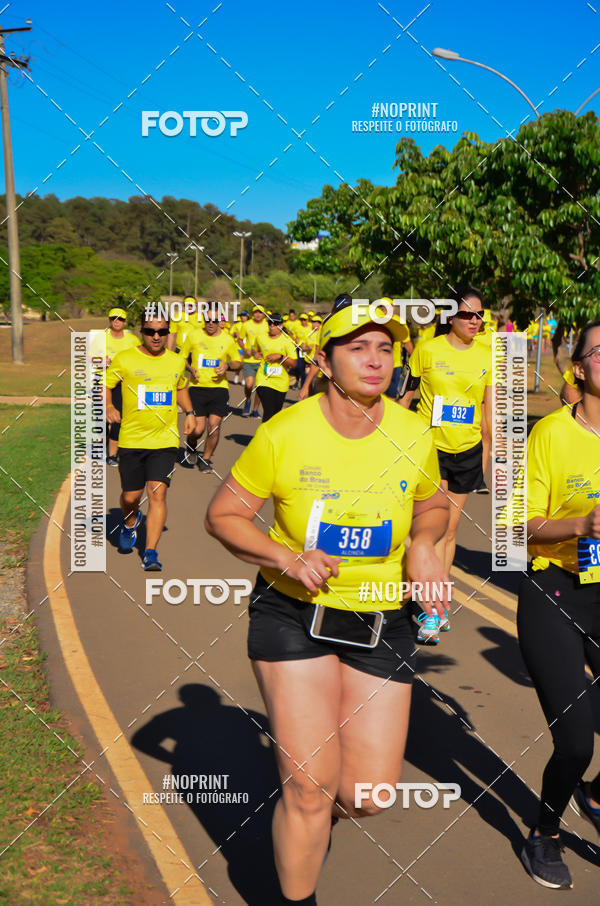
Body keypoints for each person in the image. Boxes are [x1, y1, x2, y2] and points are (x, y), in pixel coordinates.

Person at [205, 300, 449, 906]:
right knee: (312, 789)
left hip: (383, 621)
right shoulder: (284, 432)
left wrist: (424, 544)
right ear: (324, 359)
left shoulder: (414, 431)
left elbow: (434, 504)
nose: (376, 360)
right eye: (358, 347)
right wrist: (286, 559)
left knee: (365, 796)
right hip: (293, 617)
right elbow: (224, 515)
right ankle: (300, 847)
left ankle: (305, 804)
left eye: (386, 348)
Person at [518, 320, 600, 890]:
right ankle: (544, 832)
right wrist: (581, 523)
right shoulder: (551, 433)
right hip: (558, 589)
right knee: (575, 739)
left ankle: (594, 794)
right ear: (579, 369)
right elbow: (515, 532)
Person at [400, 286, 492, 643]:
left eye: (479, 314)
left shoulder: (487, 355)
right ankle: (427, 604)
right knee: (427, 531)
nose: (474, 320)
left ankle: (436, 604)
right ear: (450, 317)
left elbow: (489, 412)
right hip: (428, 449)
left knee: (450, 532)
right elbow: (405, 397)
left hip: (467, 451)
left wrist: (489, 456)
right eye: (467, 314)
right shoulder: (427, 350)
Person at [105, 311, 195, 571]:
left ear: (168, 333)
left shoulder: (176, 361)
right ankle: (130, 521)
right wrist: (109, 405)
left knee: (158, 493)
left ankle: (151, 552)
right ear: (141, 331)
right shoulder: (125, 359)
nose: (156, 336)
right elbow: (107, 383)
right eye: (150, 331)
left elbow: (180, 388)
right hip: (132, 440)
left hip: (164, 441)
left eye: (162, 332)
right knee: (130, 496)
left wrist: (190, 412)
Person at [184, 306, 242, 470]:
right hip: (197, 388)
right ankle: (192, 443)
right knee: (198, 429)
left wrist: (228, 366)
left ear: (220, 321)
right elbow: (182, 358)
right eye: (207, 320)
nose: (210, 323)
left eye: (214, 320)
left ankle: (206, 459)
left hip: (219, 389)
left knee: (214, 428)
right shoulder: (193, 335)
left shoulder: (228, 339)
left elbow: (238, 363)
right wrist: (189, 368)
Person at [90, 307, 139, 466]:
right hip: (102, 380)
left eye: (120, 319)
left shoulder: (132, 340)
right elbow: (89, 358)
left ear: (125, 321)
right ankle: (103, 443)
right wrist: (100, 360)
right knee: (102, 419)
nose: (116, 322)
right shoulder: (101, 338)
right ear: (110, 320)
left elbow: (141, 357)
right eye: (113, 319)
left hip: (122, 383)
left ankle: (112, 455)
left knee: (118, 418)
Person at [254, 313, 297, 422]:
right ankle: (262, 438)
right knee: (268, 411)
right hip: (264, 379)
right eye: (270, 323)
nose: (272, 326)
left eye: (275, 323)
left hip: (280, 382)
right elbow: (255, 349)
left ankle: (269, 436)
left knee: (275, 415)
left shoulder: (287, 341)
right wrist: (256, 354)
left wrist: (280, 356)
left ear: (281, 325)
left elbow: (294, 364)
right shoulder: (260, 338)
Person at [237, 306, 268, 416]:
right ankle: (248, 399)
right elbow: (240, 340)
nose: (258, 314)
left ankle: (255, 410)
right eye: (256, 312)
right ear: (253, 313)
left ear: (264, 314)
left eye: (260, 312)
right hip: (249, 360)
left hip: (262, 360)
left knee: (260, 387)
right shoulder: (246, 325)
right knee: (249, 385)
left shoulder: (268, 325)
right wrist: (245, 349)